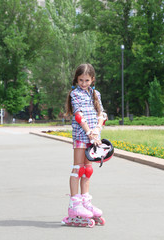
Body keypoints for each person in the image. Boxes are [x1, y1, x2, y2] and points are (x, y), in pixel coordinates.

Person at [62, 63, 105, 227]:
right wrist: (89, 132)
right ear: (77, 79)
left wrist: (97, 130)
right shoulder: (75, 94)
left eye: (87, 80)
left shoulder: (96, 94)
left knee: (88, 169)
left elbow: (101, 113)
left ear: (92, 79)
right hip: (81, 135)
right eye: (81, 80)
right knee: (78, 168)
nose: (84, 83)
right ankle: (74, 205)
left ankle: (86, 202)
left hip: (94, 137)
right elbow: (79, 115)